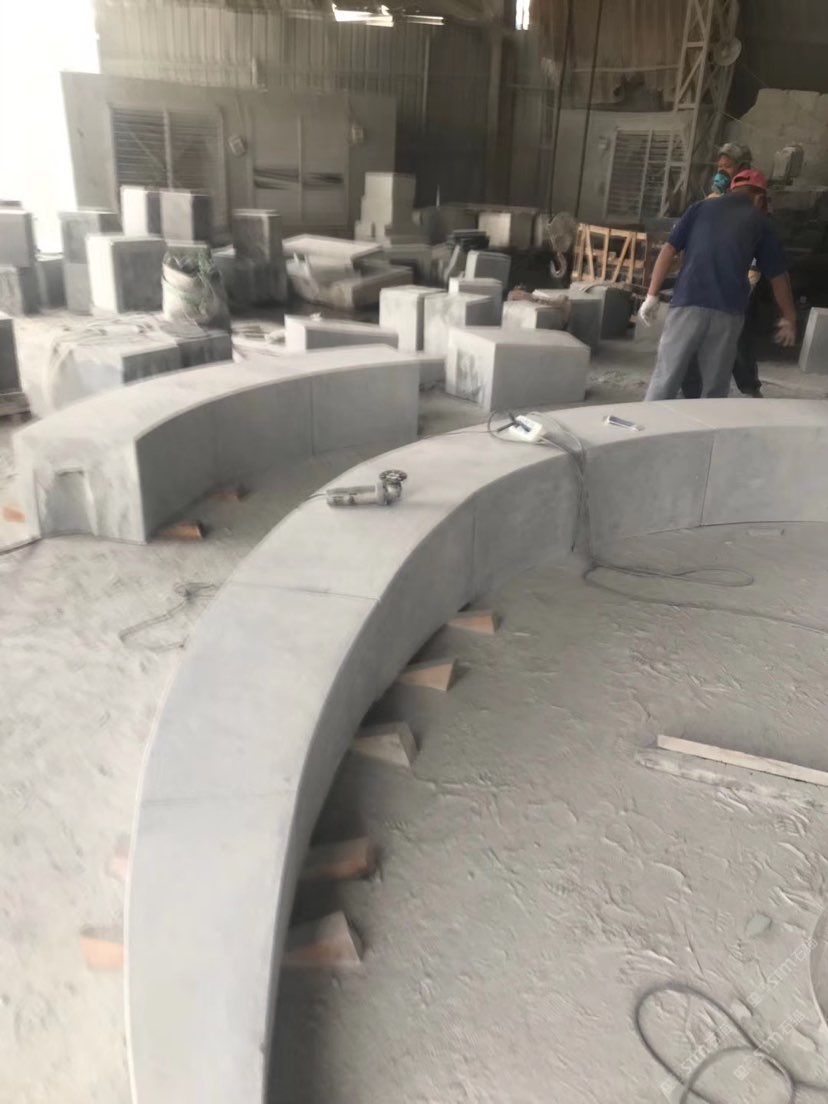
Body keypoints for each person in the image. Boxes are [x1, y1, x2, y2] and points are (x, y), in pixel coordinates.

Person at [640, 169, 796, 401]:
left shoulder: (699, 209)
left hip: (688, 302)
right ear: (760, 198)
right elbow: (778, 276)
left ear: (731, 190)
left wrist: (651, 296)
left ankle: (650, 420)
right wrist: (789, 317)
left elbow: (668, 249)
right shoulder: (759, 222)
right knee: (714, 387)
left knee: (665, 378)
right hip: (728, 312)